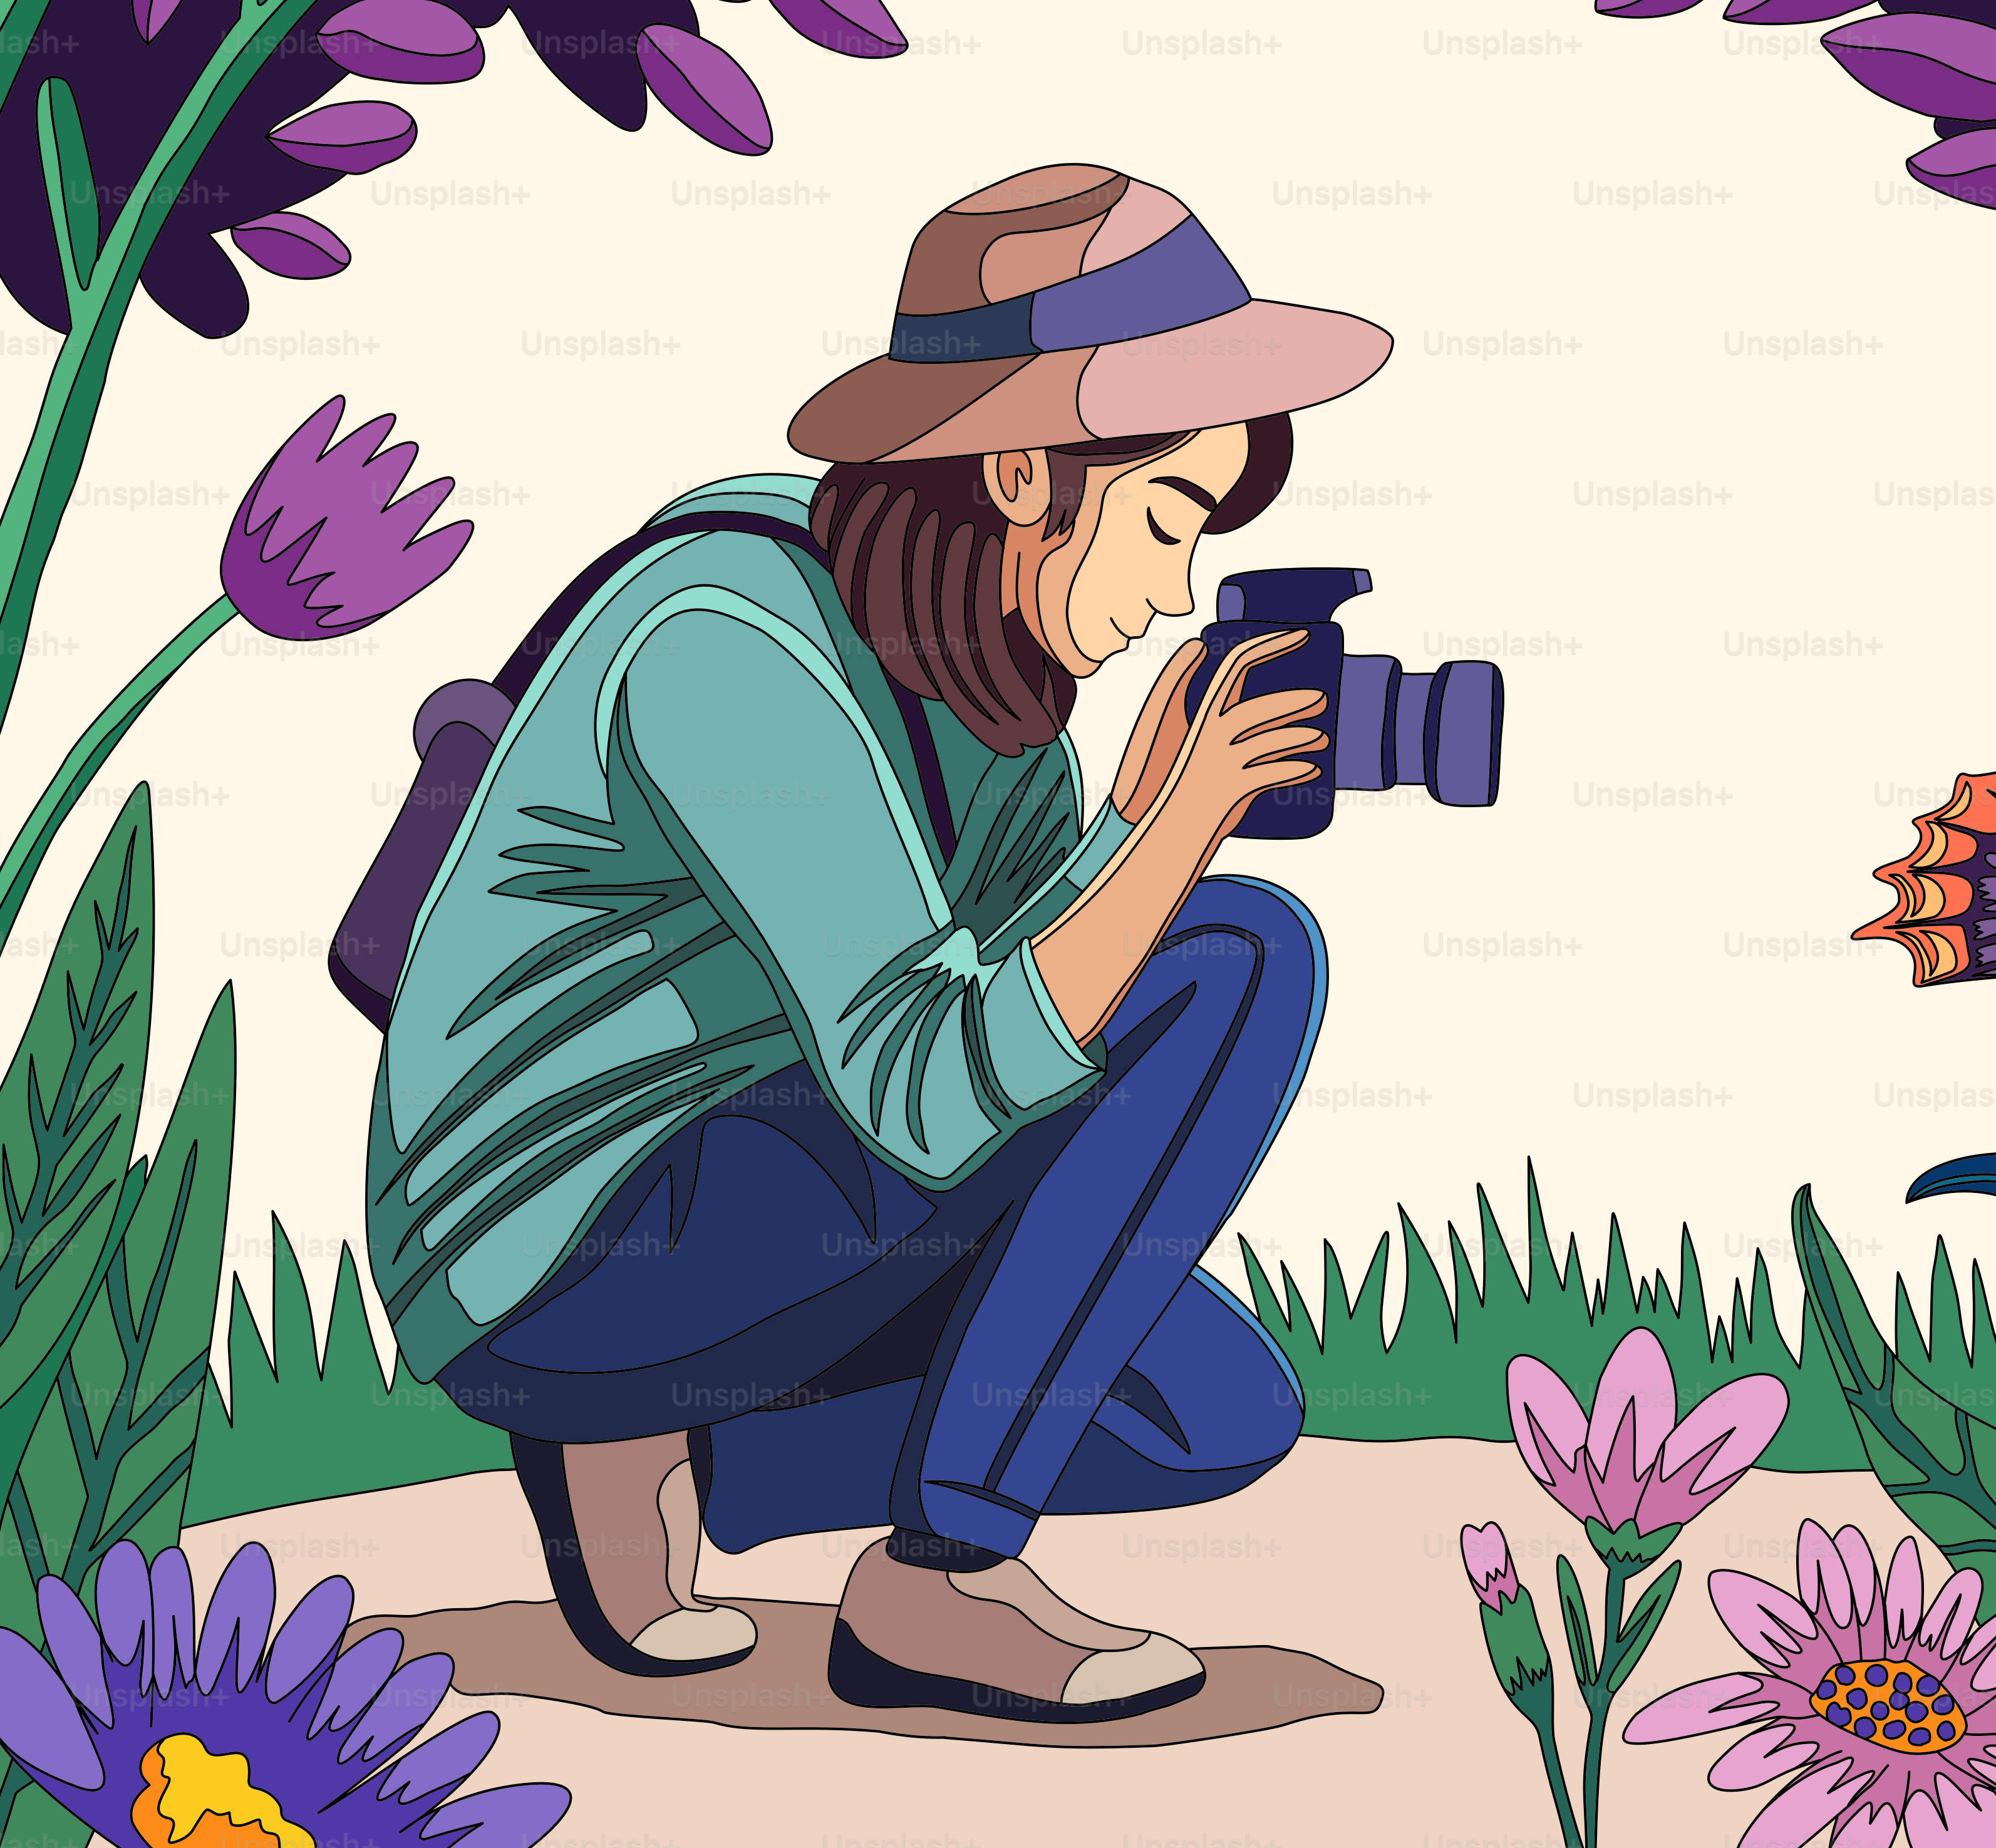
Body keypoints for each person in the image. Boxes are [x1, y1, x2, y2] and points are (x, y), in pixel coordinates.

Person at [365, 163, 1392, 1723]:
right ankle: (941, 1578)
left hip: (769, 1188)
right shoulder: (728, 640)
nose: (1174, 590)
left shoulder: (993, 682)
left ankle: (674, 1452)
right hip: (562, 1238)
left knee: (1207, 1406)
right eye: (1165, 518)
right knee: (1242, 955)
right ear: (1023, 476)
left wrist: (1125, 819)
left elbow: (1021, 1013)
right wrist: (1181, 837)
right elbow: (927, 1089)